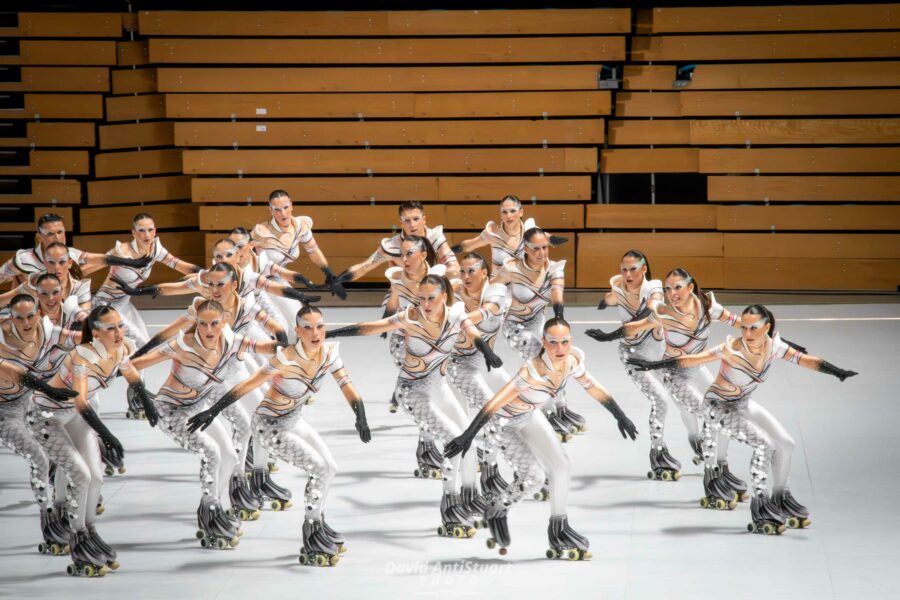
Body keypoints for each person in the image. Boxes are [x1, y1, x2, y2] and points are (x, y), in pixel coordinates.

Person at [628, 304, 856, 534]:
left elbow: (805, 359)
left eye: (753, 328)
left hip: (743, 403)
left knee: (786, 444)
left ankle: (780, 498)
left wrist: (838, 372)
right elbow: (691, 360)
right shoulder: (730, 349)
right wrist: (652, 365)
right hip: (718, 407)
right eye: (744, 328)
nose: (747, 334)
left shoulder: (774, 347)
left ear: (767, 327)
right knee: (764, 445)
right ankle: (761, 507)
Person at [186, 305, 371, 566]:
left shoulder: (329, 352)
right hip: (269, 426)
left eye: (319, 326)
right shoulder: (285, 359)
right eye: (307, 327)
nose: (315, 332)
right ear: (297, 331)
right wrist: (213, 412)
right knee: (318, 468)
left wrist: (360, 415)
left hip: (294, 419)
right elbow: (246, 385)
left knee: (330, 467)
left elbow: (346, 385)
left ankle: (318, 520)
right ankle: (312, 533)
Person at [325, 274, 503, 538]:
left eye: (431, 298)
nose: (426, 303)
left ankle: (469, 495)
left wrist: (487, 352)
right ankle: (450, 506)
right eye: (421, 298)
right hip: (412, 392)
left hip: (439, 386)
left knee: (470, 440)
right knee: (455, 441)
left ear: (444, 297)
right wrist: (327, 333)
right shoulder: (408, 318)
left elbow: (473, 332)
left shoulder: (456, 314)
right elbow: (370, 327)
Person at [444, 318, 638, 559]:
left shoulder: (572, 361)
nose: (560, 348)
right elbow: (495, 403)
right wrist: (467, 436)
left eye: (565, 342)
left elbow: (593, 387)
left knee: (562, 465)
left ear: (571, 342)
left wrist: (620, 416)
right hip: (504, 424)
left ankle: (558, 528)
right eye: (553, 342)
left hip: (529, 415)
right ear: (544, 342)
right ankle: (498, 507)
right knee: (534, 479)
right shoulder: (531, 371)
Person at [131, 299, 285, 548]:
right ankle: (211, 513)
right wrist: (138, 393)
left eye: (214, 323)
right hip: (172, 411)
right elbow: (134, 365)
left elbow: (265, 347)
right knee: (212, 454)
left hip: (198, 408)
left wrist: (289, 345)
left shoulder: (231, 340)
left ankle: (210, 508)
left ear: (223, 322)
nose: (209, 329)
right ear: (196, 324)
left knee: (231, 457)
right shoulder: (181, 345)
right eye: (203, 324)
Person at [29, 305, 158, 576]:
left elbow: (133, 376)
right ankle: (77, 538)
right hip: (47, 417)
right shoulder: (82, 357)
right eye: (110, 328)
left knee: (96, 477)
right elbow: (82, 402)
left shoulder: (121, 350)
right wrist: (107, 436)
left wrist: (148, 403)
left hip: (74, 417)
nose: (119, 332)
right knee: (81, 476)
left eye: (120, 326)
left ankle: (88, 531)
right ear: (97, 333)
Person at [0, 294, 83, 556]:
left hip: (31, 405)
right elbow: (16, 374)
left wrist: (89, 322)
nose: (25, 322)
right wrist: (48, 388)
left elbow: (83, 340)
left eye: (30, 316)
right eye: (19, 317)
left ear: (38, 314)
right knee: (39, 457)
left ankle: (62, 510)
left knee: (61, 451)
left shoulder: (48, 331)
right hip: (5, 412)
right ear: (9, 318)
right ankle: (48, 521)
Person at [595, 250, 681, 480]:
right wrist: (604, 302)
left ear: (644, 269)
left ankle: (699, 442)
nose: (628, 273)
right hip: (633, 356)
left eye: (633, 268)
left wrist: (611, 334)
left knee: (677, 397)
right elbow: (609, 299)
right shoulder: (619, 289)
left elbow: (649, 309)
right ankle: (658, 451)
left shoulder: (653, 287)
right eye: (624, 269)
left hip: (657, 353)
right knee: (660, 400)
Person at [491, 227, 583, 441]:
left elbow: (557, 295)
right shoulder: (512, 268)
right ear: (525, 248)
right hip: (515, 326)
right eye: (536, 248)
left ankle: (561, 408)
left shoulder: (554, 268)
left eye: (545, 247)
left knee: (557, 360)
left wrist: (559, 321)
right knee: (542, 362)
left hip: (538, 323)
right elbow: (491, 289)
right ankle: (547, 414)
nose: (542, 253)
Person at [446, 251, 514, 506]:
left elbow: (487, 312)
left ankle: (490, 474)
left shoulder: (495, 291)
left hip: (487, 360)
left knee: (507, 409)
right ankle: (468, 492)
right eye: (462, 271)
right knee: (474, 422)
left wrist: (454, 318)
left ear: (484, 272)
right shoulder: (452, 292)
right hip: (459, 363)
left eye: (471, 270)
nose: (465, 276)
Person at [0, 213, 152, 286]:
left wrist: (131, 262)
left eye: (60, 232)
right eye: (50, 234)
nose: (57, 238)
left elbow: (97, 259)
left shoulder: (70, 253)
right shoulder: (24, 260)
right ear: (39, 238)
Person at [335, 200, 461, 283]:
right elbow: (364, 267)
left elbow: (454, 268)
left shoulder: (435, 238)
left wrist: (434, 277)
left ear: (424, 219)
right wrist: (336, 281)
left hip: (433, 290)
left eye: (416, 219)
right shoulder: (391, 246)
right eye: (407, 220)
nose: (412, 225)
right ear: (401, 223)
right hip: (403, 293)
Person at [451, 195, 567, 269]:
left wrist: (553, 240)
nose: (509, 216)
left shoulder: (530, 231)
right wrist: (449, 251)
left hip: (525, 287)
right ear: (500, 214)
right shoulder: (492, 233)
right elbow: (469, 245)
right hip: (500, 290)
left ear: (521, 212)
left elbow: (547, 237)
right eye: (504, 212)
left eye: (512, 211)